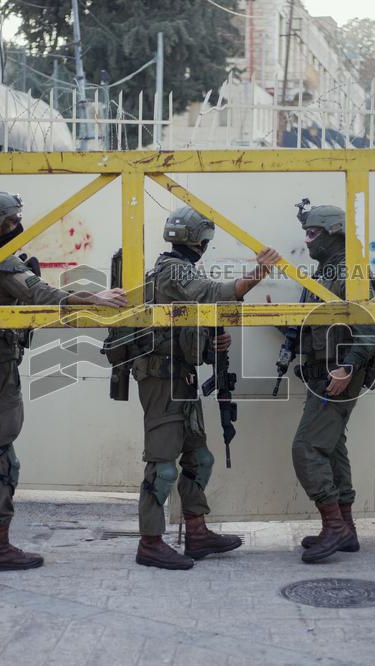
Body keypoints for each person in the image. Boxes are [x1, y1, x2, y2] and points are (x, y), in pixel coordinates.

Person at [0, 191, 127, 572]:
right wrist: (96, 297)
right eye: (15, 221)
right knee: (1, 456)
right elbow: (48, 297)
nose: (20, 228)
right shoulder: (3, 267)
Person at [133, 206, 280, 570]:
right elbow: (216, 293)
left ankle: (196, 533)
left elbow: (187, 319)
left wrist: (207, 342)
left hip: (181, 378)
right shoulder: (173, 270)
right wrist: (260, 272)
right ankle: (150, 543)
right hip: (162, 381)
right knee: (163, 466)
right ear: (200, 240)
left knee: (199, 459)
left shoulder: (180, 270)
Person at [288, 202, 375, 563]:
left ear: (332, 233)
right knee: (332, 447)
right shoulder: (326, 273)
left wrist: (347, 368)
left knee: (306, 447)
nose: (308, 240)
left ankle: (333, 526)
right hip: (324, 373)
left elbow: (370, 328)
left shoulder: (349, 272)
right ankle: (347, 529)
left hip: (340, 374)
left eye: (313, 233)